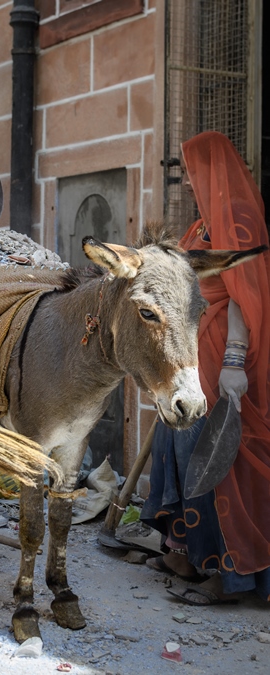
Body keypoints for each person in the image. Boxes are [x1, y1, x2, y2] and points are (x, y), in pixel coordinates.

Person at [141, 131, 270, 605]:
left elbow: (245, 298)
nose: (192, 180)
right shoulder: (201, 226)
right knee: (174, 450)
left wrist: (234, 361)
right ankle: (185, 555)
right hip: (189, 358)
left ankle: (225, 576)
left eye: (197, 170)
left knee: (214, 465)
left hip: (220, 363)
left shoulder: (236, 223)